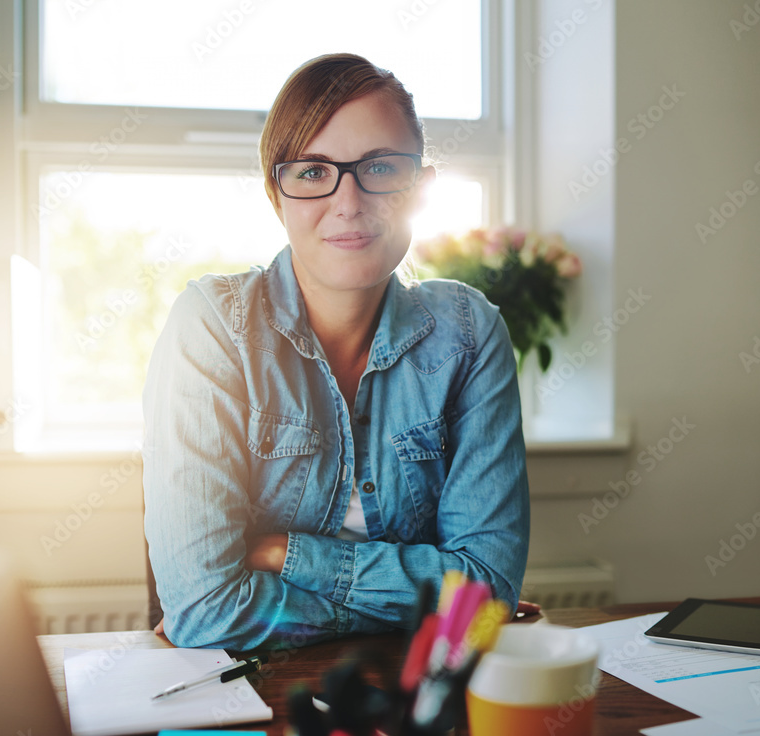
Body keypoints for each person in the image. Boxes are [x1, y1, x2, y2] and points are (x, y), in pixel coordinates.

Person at [142, 53, 530, 651]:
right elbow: (204, 611)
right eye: (313, 171)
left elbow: (489, 593)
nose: (348, 202)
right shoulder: (214, 327)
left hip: (416, 699)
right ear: (279, 195)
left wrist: (283, 555)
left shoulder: (471, 333)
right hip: (251, 698)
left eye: (379, 167)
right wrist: (429, 607)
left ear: (421, 190)